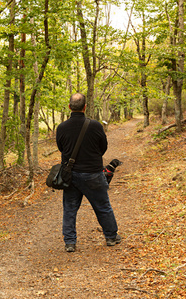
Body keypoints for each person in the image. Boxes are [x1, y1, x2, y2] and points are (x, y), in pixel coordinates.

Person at [56, 93, 121, 252]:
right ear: (85, 107)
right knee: (103, 206)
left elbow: (61, 148)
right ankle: (111, 237)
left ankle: (70, 242)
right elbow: (103, 147)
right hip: (93, 174)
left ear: (70, 107)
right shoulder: (95, 126)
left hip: (70, 176)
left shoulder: (62, 128)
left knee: (70, 209)